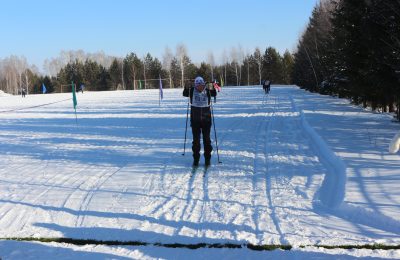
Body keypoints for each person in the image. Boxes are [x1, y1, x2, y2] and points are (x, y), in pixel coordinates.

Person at [183, 76, 217, 167]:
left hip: (206, 120)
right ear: (195, 85)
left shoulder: (208, 90)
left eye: (201, 85)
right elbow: (185, 93)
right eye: (198, 85)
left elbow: (214, 94)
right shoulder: (192, 90)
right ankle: (196, 159)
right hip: (195, 120)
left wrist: (212, 87)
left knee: (207, 140)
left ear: (203, 84)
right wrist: (187, 86)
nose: (200, 87)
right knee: (196, 141)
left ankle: (207, 159)